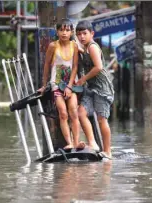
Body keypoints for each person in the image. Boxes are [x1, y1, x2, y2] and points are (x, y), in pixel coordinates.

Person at [38, 18, 83, 149]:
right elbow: (46, 66)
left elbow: (75, 67)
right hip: (56, 83)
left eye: (67, 30)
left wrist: (69, 86)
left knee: (73, 112)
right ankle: (69, 143)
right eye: (61, 30)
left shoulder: (74, 45)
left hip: (71, 84)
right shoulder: (53, 46)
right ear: (57, 31)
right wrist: (44, 84)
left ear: (71, 32)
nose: (64, 33)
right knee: (63, 114)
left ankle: (76, 142)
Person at [76, 20, 114, 159]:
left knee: (101, 119)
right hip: (91, 88)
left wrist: (83, 79)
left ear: (91, 33)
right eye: (79, 34)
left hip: (102, 88)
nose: (82, 37)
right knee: (81, 112)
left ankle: (108, 151)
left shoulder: (92, 47)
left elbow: (98, 67)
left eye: (84, 33)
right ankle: (93, 144)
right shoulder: (85, 48)